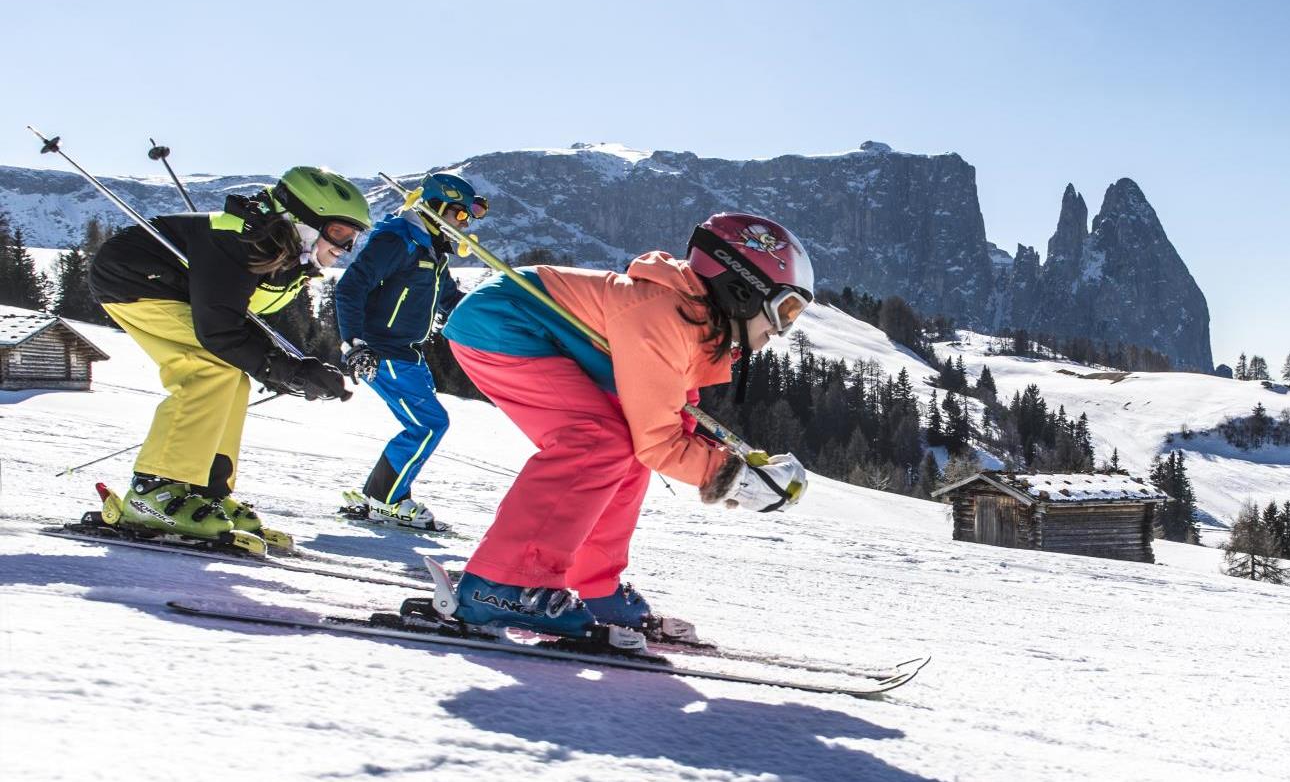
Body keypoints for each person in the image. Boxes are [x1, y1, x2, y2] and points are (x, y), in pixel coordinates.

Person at [435, 212, 812, 640]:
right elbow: (660, 442)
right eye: (786, 309)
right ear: (742, 288)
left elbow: (671, 422)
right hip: (503, 324)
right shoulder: (663, 315)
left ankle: (594, 588)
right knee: (596, 443)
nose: (783, 329)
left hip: (535, 331)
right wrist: (735, 478)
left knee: (626, 452)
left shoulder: (694, 322)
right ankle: (502, 584)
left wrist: (732, 468)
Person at [88, 166, 367, 544]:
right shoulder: (240, 240)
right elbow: (220, 330)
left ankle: (205, 491)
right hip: (133, 280)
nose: (345, 247)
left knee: (233, 379)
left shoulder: (281, 254)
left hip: (177, 292)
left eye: (353, 238)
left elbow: (236, 320)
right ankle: (154, 492)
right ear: (302, 220)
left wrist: (291, 369)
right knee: (209, 370)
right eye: (338, 232)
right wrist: (288, 371)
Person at [333, 173, 486, 529]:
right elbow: (350, 287)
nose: (464, 225)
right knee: (428, 424)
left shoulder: (432, 252)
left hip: (408, 353)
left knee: (424, 424)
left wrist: (494, 314)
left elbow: (449, 300)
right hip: (381, 351)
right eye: (461, 215)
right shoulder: (398, 240)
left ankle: (379, 494)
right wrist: (354, 343)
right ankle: (387, 499)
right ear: (438, 207)